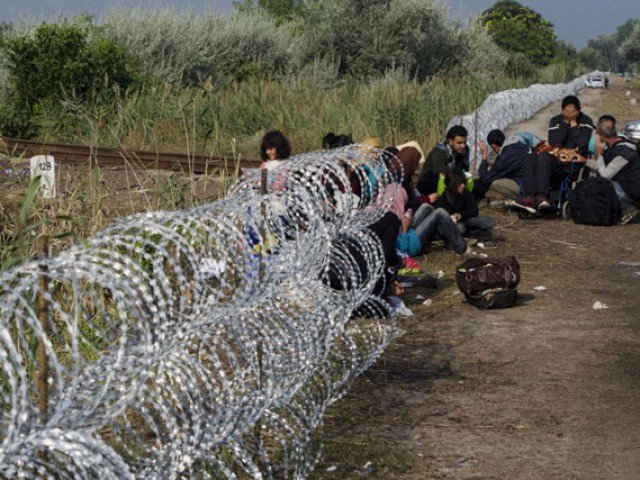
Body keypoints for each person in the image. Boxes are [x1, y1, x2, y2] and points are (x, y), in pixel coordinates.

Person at [515, 95, 594, 212]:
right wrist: (564, 122)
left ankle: (543, 196)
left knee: (544, 157)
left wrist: (573, 123)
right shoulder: (555, 121)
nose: (569, 111)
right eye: (566, 109)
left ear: (578, 110)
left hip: (571, 161)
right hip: (555, 157)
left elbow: (581, 143)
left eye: (572, 108)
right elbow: (554, 142)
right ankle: (529, 196)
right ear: (562, 110)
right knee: (530, 157)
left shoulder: (586, 121)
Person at [587, 115, 640, 223]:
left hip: (633, 190)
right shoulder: (622, 144)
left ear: (602, 137)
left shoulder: (622, 153)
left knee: (601, 186)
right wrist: (584, 161)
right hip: (631, 185)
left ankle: (628, 208)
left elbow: (605, 175)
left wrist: (599, 154)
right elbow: (605, 167)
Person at [475, 129, 537, 201]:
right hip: (535, 179)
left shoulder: (505, 157)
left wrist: (484, 156)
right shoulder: (520, 145)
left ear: (493, 145)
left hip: (525, 186)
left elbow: (486, 178)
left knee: (493, 183)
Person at [436, 171, 494, 237]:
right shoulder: (445, 196)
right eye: (460, 183)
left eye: (463, 182)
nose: (463, 185)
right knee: (460, 228)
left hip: (465, 219)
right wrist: (453, 216)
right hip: (453, 223)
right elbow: (441, 214)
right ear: (452, 185)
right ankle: (470, 232)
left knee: (487, 220)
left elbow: (474, 211)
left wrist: (461, 215)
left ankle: (469, 231)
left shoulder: (466, 193)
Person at [417, 125, 470, 196]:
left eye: (464, 143)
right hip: (430, 187)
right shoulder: (440, 151)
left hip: (448, 185)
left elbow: (464, 169)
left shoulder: (462, 151)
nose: (463, 146)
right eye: (459, 143)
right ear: (450, 141)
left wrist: (463, 157)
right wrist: (457, 174)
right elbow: (439, 170)